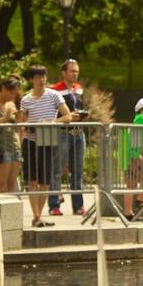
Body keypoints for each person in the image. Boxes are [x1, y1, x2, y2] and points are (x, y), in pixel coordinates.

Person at [19, 65, 77, 227]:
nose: (41, 80)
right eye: (38, 77)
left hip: (47, 140)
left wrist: (52, 121)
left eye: (43, 76)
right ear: (32, 80)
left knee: (44, 181)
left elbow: (68, 116)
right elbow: (21, 123)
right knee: (32, 180)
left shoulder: (54, 95)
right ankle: (36, 217)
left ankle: (39, 216)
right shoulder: (26, 99)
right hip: (30, 141)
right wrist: (25, 125)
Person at [47, 59, 86, 216]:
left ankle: (78, 205)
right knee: (57, 170)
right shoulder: (55, 90)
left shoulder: (79, 88)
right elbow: (52, 112)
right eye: (72, 71)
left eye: (77, 71)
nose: (75, 74)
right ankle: (54, 205)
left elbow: (79, 107)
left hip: (78, 132)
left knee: (77, 171)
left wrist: (83, 115)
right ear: (63, 73)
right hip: (62, 132)